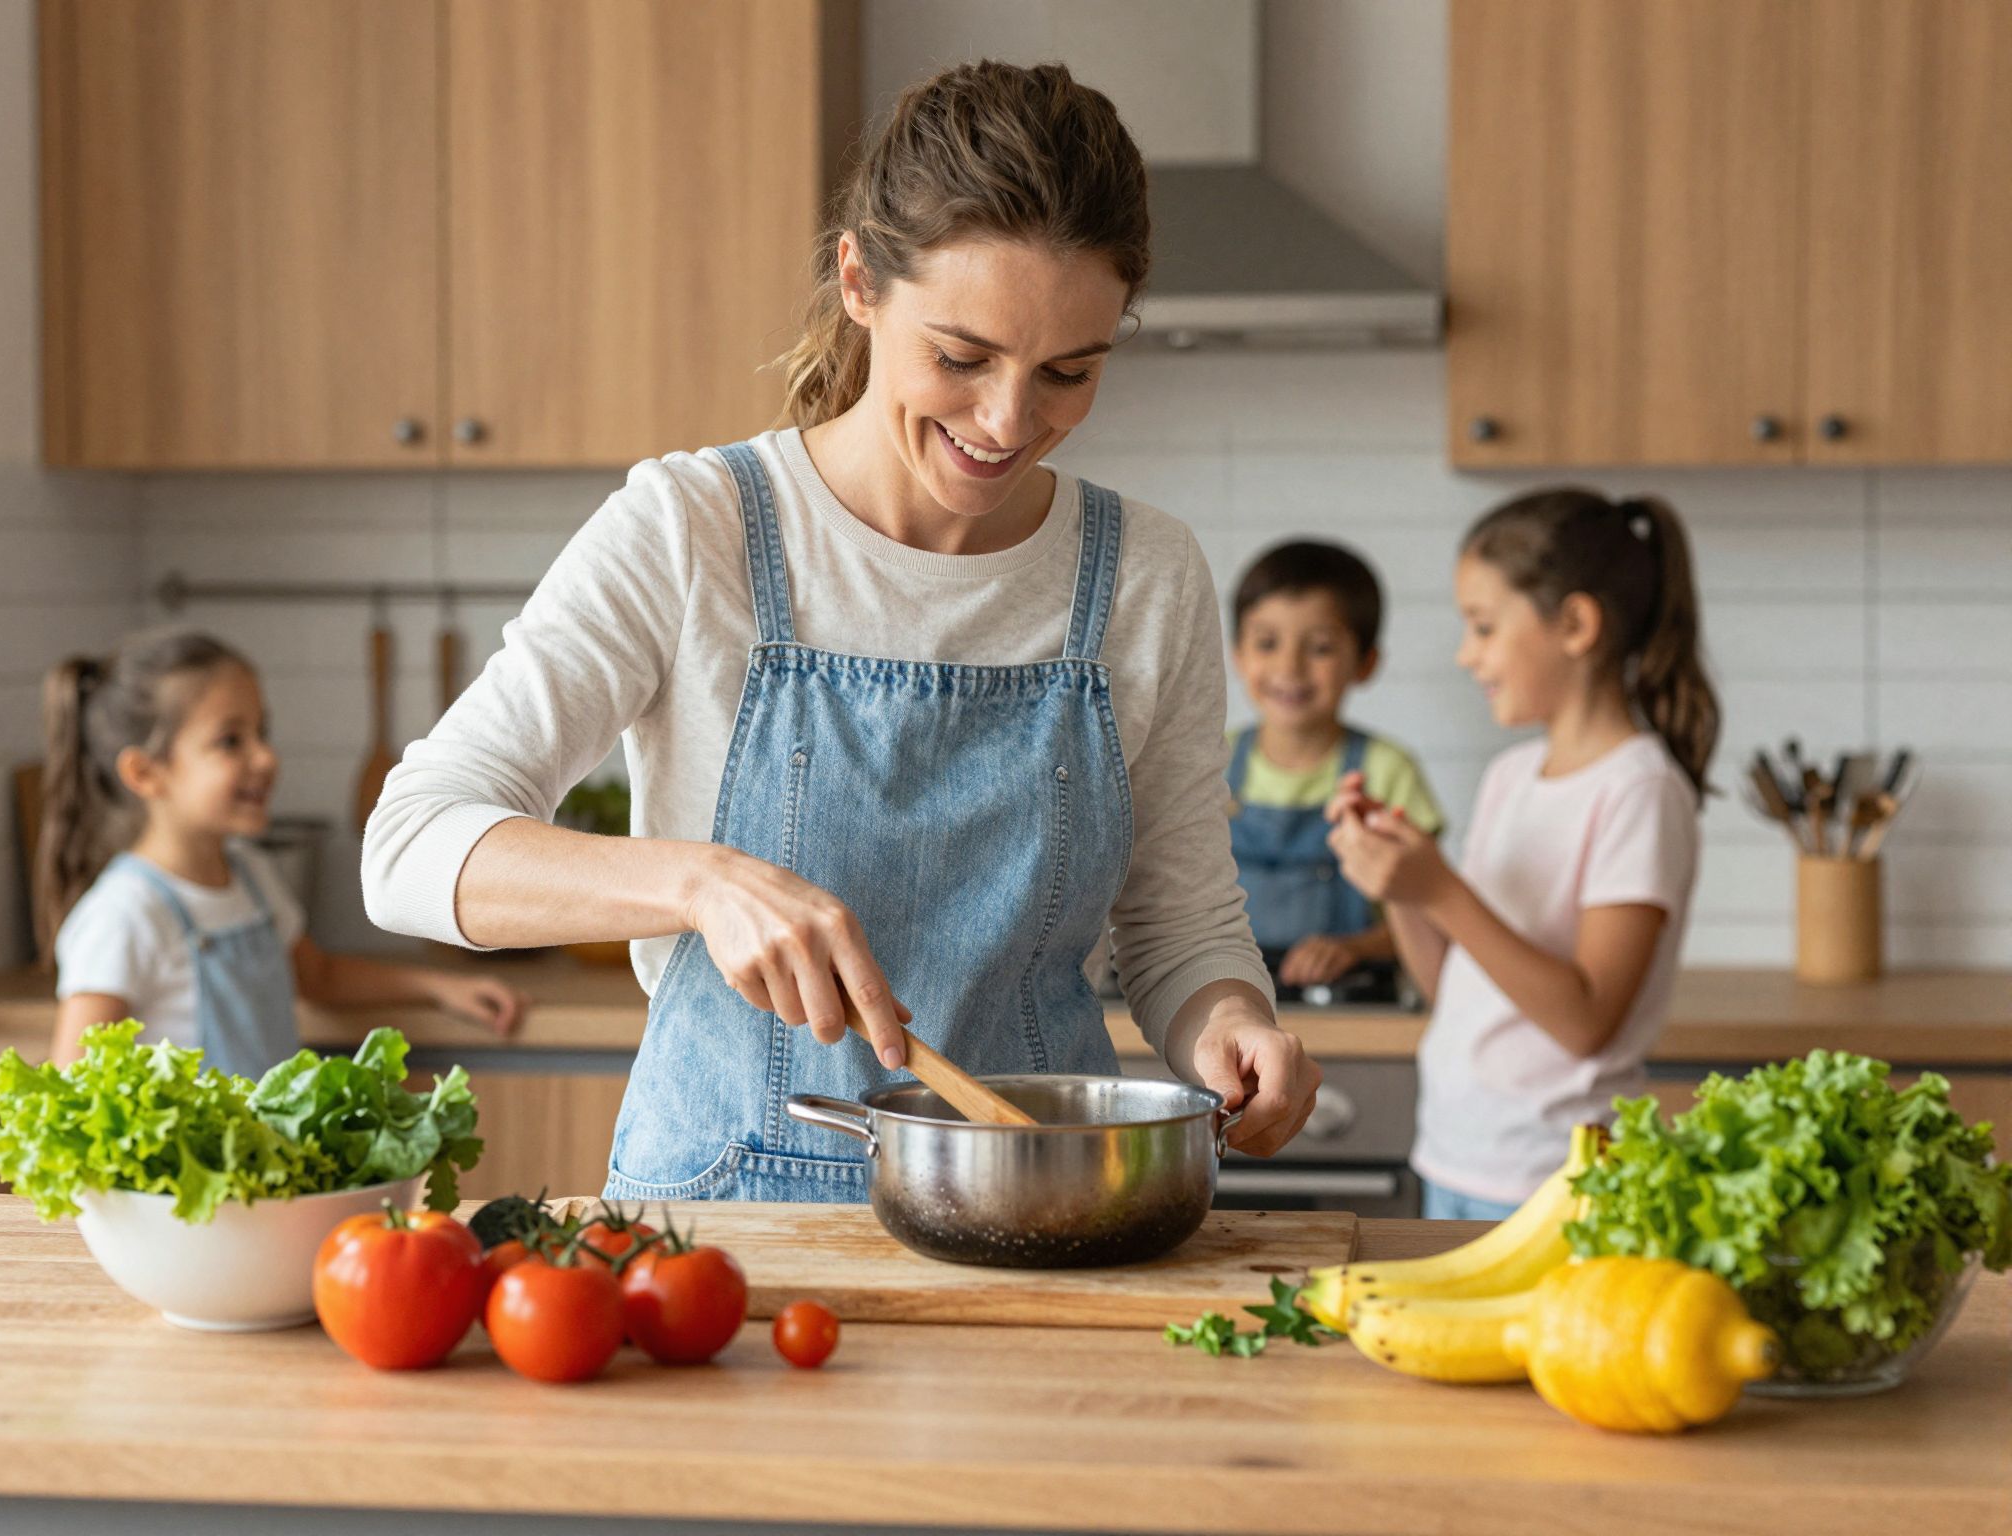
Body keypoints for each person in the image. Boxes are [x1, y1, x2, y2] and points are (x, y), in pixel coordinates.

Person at [361, 60, 1319, 1203]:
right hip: (718, 1235)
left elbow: (1178, 924)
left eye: (1068, 371)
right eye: (960, 357)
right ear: (858, 279)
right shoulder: (694, 528)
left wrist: (1229, 1024)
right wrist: (697, 885)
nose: (1009, 421)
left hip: (1046, 1216)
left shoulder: (1142, 575)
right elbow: (409, 849)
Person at [1328, 489, 1717, 1219]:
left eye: (1482, 626)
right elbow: (1459, 990)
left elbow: (1587, 1020)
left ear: (1574, 624)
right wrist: (1401, 883)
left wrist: (1441, 890)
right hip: (1456, 1153)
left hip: (1560, 1176)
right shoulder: (1512, 777)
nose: (1465, 652)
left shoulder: (1640, 790)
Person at [40, 628, 527, 1074]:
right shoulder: (124, 913)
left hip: (273, 1164)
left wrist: (439, 989)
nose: (266, 757)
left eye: (262, 732)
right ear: (146, 773)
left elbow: (320, 976)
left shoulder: (250, 875)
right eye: (231, 741)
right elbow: (75, 1085)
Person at [1226, 540, 1443, 990]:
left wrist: (1355, 949)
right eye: (1267, 643)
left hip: (1359, 1005)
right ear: (1238, 654)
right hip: (1229, 1005)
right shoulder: (1208, 762)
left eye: (1320, 647)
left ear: (1365, 663)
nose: (1290, 667)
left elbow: (1432, 911)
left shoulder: (1387, 771)